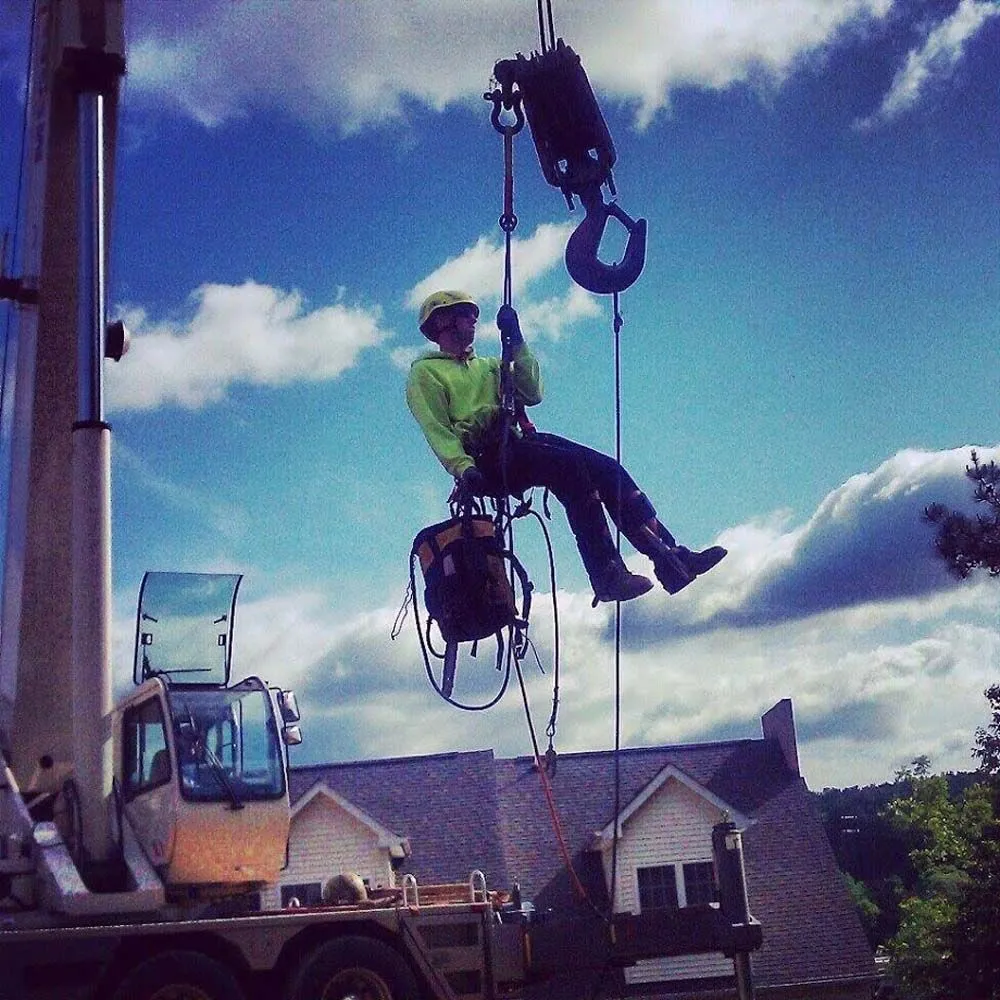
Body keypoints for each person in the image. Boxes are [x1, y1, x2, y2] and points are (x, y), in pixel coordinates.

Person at [405, 290, 726, 603]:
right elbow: (437, 429)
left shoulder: (488, 366)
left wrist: (517, 342)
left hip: (515, 444)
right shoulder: (426, 373)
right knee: (568, 469)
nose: (475, 321)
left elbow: (532, 393)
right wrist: (463, 468)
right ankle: (607, 574)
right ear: (443, 322)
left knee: (606, 470)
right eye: (467, 315)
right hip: (485, 460)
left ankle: (673, 557)